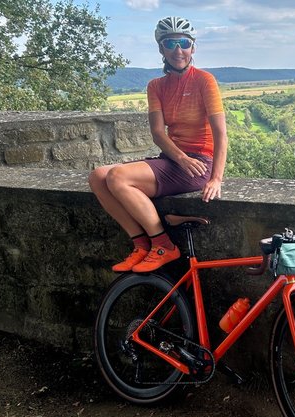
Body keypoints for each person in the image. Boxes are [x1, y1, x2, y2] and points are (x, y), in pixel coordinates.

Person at [89, 16, 227, 273]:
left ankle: (163, 245)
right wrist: (180, 158)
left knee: (118, 177)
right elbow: (157, 132)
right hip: (175, 160)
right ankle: (141, 245)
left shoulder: (204, 81)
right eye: (171, 43)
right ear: (161, 48)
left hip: (200, 163)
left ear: (193, 47)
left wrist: (216, 178)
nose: (178, 50)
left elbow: (221, 133)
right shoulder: (156, 86)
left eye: (184, 42)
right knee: (98, 177)